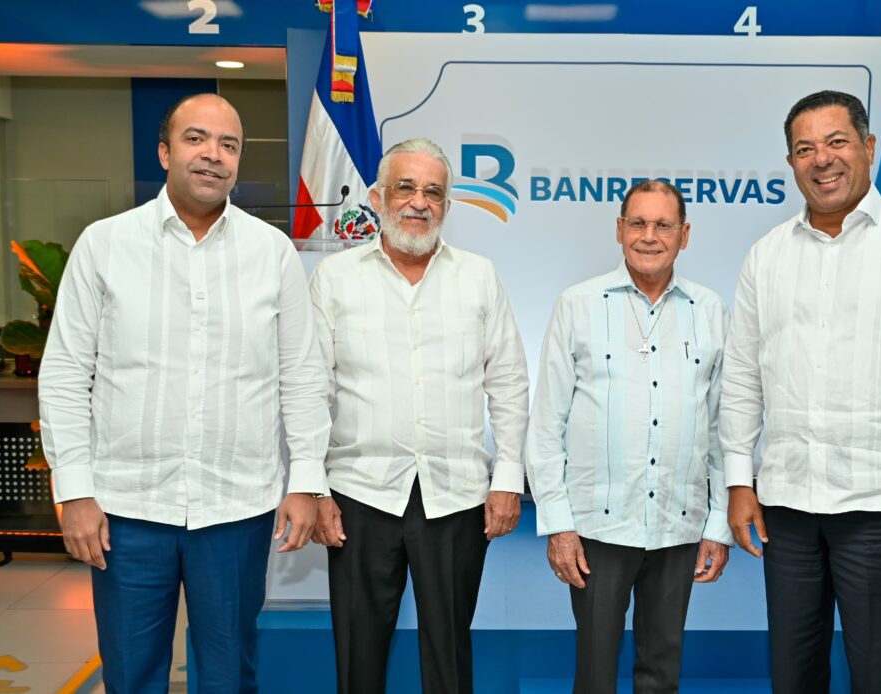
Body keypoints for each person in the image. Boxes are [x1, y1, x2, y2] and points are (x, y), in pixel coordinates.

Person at [37, 93, 332, 692]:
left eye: (229, 145)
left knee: (228, 674)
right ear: (165, 151)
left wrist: (305, 480)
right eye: (197, 139)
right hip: (126, 510)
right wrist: (76, 492)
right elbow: (66, 373)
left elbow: (302, 374)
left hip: (235, 510)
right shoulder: (105, 244)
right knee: (132, 673)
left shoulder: (271, 252)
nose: (213, 156)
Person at [721, 90, 881, 693]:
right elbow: (741, 378)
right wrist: (740, 482)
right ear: (790, 163)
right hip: (787, 509)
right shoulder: (766, 257)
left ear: (867, 148)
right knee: (792, 678)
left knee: (877, 678)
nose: (822, 159)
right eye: (805, 148)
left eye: (837, 142)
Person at [309, 138, 529, 694]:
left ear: (447, 206)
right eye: (405, 187)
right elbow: (310, 388)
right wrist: (312, 487)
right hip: (359, 495)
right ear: (378, 196)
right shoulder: (335, 279)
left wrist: (507, 480)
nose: (419, 202)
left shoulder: (479, 276)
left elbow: (508, 382)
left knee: (449, 652)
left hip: (455, 496)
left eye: (434, 191)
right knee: (359, 655)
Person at [526, 179, 732, 694]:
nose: (649, 236)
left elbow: (723, 428)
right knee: (595, 669)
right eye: (637, 223)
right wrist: (558, 524)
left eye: (663, 225)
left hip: (677, 522)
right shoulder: (577, 304)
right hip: (597, 524)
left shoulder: (711, 311)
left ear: (685, 235)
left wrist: (719, 524)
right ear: (619, 230)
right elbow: (547, 423)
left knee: (663, 667)